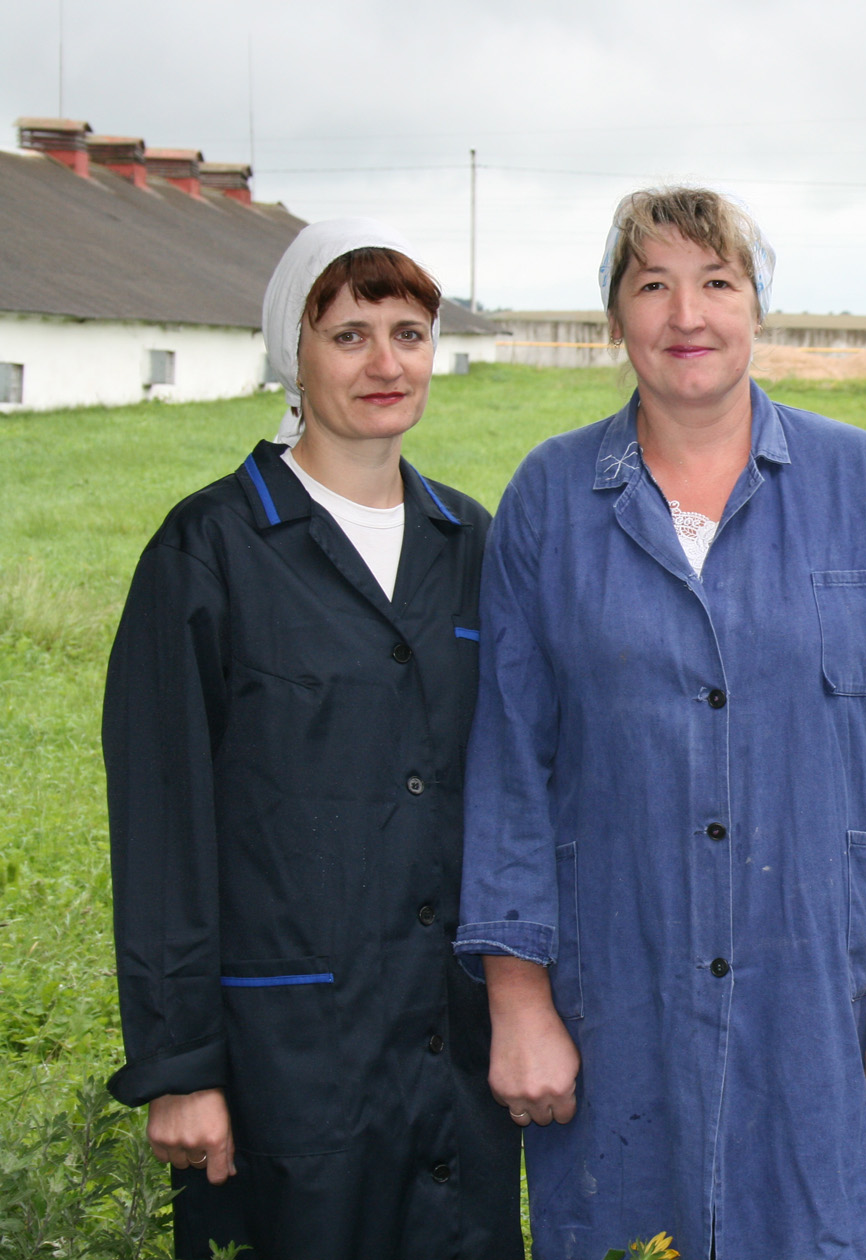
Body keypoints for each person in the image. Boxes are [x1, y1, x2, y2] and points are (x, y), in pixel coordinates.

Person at [453, 186, 866, 1260]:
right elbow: (510, 762)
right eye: (652, 285)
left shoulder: (863, 486)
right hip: (617, 989)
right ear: (616, 317)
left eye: (716, 282)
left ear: (756, 308)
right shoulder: (550, 502)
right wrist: (519, 1001)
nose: (686, 314)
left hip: (817, 1002)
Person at [102, 220, 522, 1259]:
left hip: (453, 1055)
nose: (386, 363)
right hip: (282, 1060)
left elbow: (520, 786)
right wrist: (180, 1066)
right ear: (290, 351)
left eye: (410, 333)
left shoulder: (471, 544)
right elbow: (161, 825)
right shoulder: (209, 551)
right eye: (348, 335)